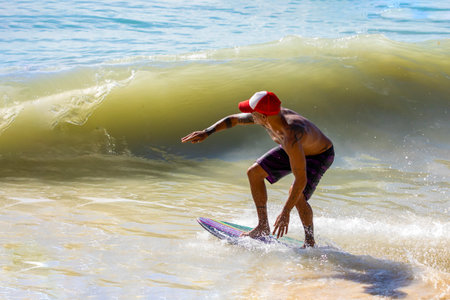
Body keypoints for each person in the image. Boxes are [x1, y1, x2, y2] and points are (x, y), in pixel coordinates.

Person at [181, 91, 334, 247]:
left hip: (319, 154)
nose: (249, 115)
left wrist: (285, 212)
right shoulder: (270, 117)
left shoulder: (290, 135)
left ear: (263, 116)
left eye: (252, 112)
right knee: (254, 173)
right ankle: (263, 226)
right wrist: (207, 132)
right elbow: (233, 120)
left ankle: (309, 241)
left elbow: (301, 179)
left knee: (297, 195)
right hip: (293, 150)